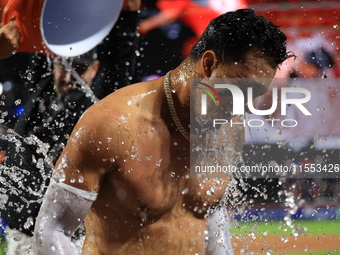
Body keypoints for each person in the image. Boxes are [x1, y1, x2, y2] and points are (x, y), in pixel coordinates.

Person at [33, 9, 293, 255]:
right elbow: (53, 228)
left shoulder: (228, 127)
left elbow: (209, 215)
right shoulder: (113, 123)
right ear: (209, 63)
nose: (244, 107)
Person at [1, 50, 100, 255]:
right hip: (20, 229)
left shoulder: (99, 106)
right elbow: (39, 49)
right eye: (62, 67)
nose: (68, 76)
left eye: (79, 69)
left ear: (95, 69)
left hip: (67, 236)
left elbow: (123, 54)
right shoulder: (41, 89)